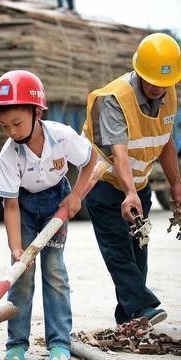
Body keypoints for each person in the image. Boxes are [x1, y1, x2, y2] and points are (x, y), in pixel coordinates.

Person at [0, 70, 97, 360]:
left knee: (54, 271)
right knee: (21, 275)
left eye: (16, 123)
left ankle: (59, 343)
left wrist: (75, 195)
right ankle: (16, 344)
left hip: (55, 203)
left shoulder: (61, 137)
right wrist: (16, 249)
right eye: (4, 126)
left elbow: (91, 161)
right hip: (23, 208)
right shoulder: (8, 155)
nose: (11, 131)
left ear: (37, 112)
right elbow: (10, 205)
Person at [82, 33, 181, 326]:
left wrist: (176, 184)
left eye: (164, 83)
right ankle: (142, 307)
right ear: (138, 70)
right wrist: (129, 192)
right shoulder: (115, 99)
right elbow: (119, 151)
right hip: (103, 182)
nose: (156, 88)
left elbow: (165, 141)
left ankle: (128, 319)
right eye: (150, 80)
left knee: (139, 251)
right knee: (118, 249)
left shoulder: (169, 93)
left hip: (138, 184)